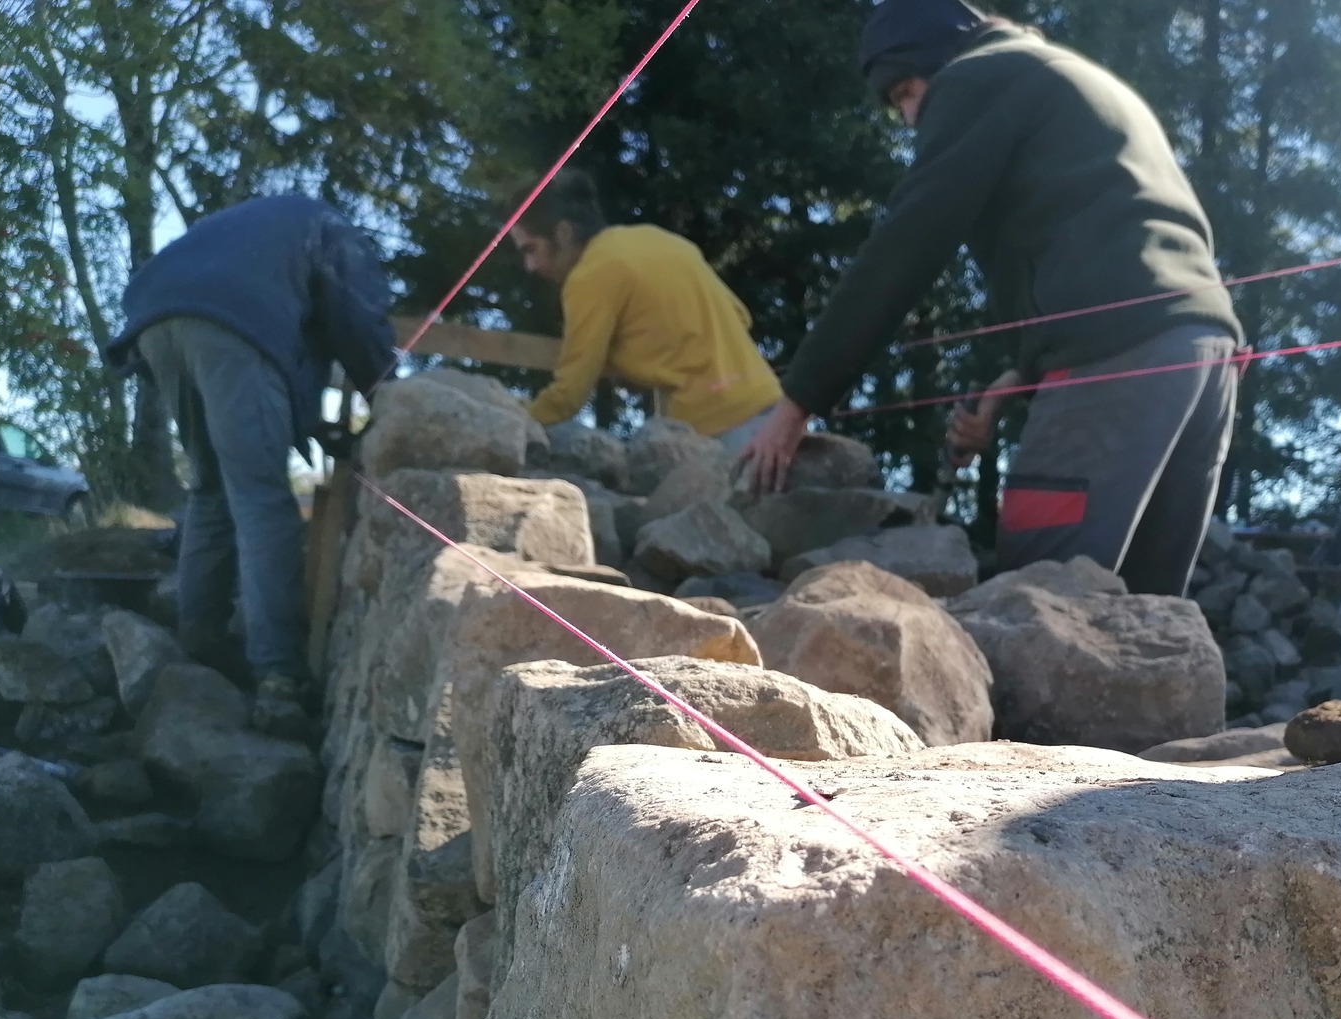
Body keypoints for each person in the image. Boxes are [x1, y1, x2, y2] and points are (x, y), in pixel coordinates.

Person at [739, 0, 1244, 596]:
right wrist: (1019, 375)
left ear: (937, 57)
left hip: (1113, 361)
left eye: (904, 91)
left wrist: (798, 402)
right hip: (1204, 352)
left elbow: (907, 242)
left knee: (1036, 605)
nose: (907, 117)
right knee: (1151, 615)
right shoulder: (1070, 77)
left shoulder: (977, 76)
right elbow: (1113, 253)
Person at [107, 195, 398, 736]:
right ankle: (279, 678)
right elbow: (354, 319)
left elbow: (292, 360)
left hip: (155, 319)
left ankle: (199, 642)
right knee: (263, 499)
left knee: (211, 489)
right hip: (226, 324)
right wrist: (389, 393)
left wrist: (310, 424)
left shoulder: (256, 233)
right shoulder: (333, 230)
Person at [509, 171, 784, 452]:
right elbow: (740, 316)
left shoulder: (590, 275)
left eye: (531, 249)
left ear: (563, 233)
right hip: (773, 410)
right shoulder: (658, 240)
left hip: (720, 428)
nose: (529, 265)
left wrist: (513, 421)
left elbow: (569, 393)